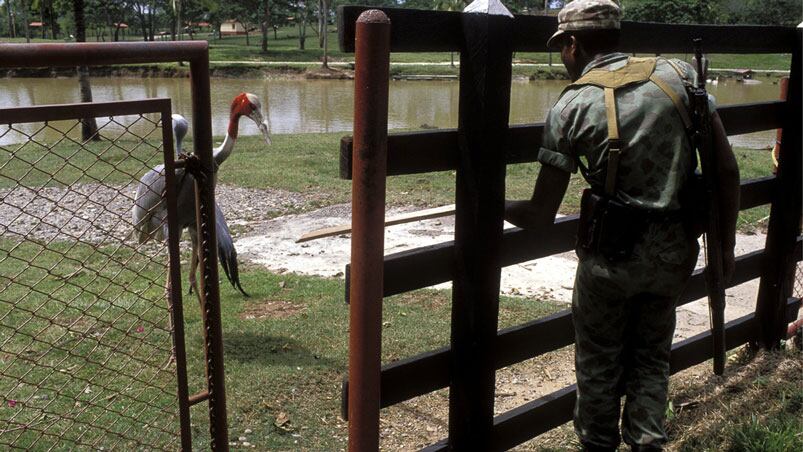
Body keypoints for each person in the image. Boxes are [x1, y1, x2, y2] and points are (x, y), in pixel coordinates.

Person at [504, 1, 739, 450]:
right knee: (652, 357)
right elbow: (725, 171)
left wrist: (491, 202)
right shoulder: (679, 78)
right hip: (674, 252)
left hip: (610, 260)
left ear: (572, 45)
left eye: (562, 48)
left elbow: (538, 214)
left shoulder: (572, 106)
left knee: (598, 363)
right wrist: (724, 250)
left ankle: (597, 444)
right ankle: (647, 441)